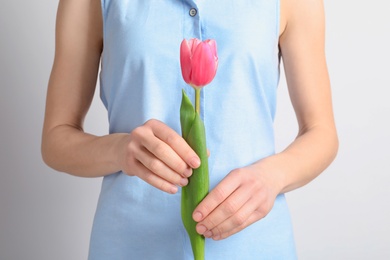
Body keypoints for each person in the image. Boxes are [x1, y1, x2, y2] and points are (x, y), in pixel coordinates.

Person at [41, 0, 338, 259]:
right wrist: (120, 150)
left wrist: (272, 177)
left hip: (252, 243)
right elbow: (56, 138)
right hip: (133, 244)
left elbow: (321, 132)